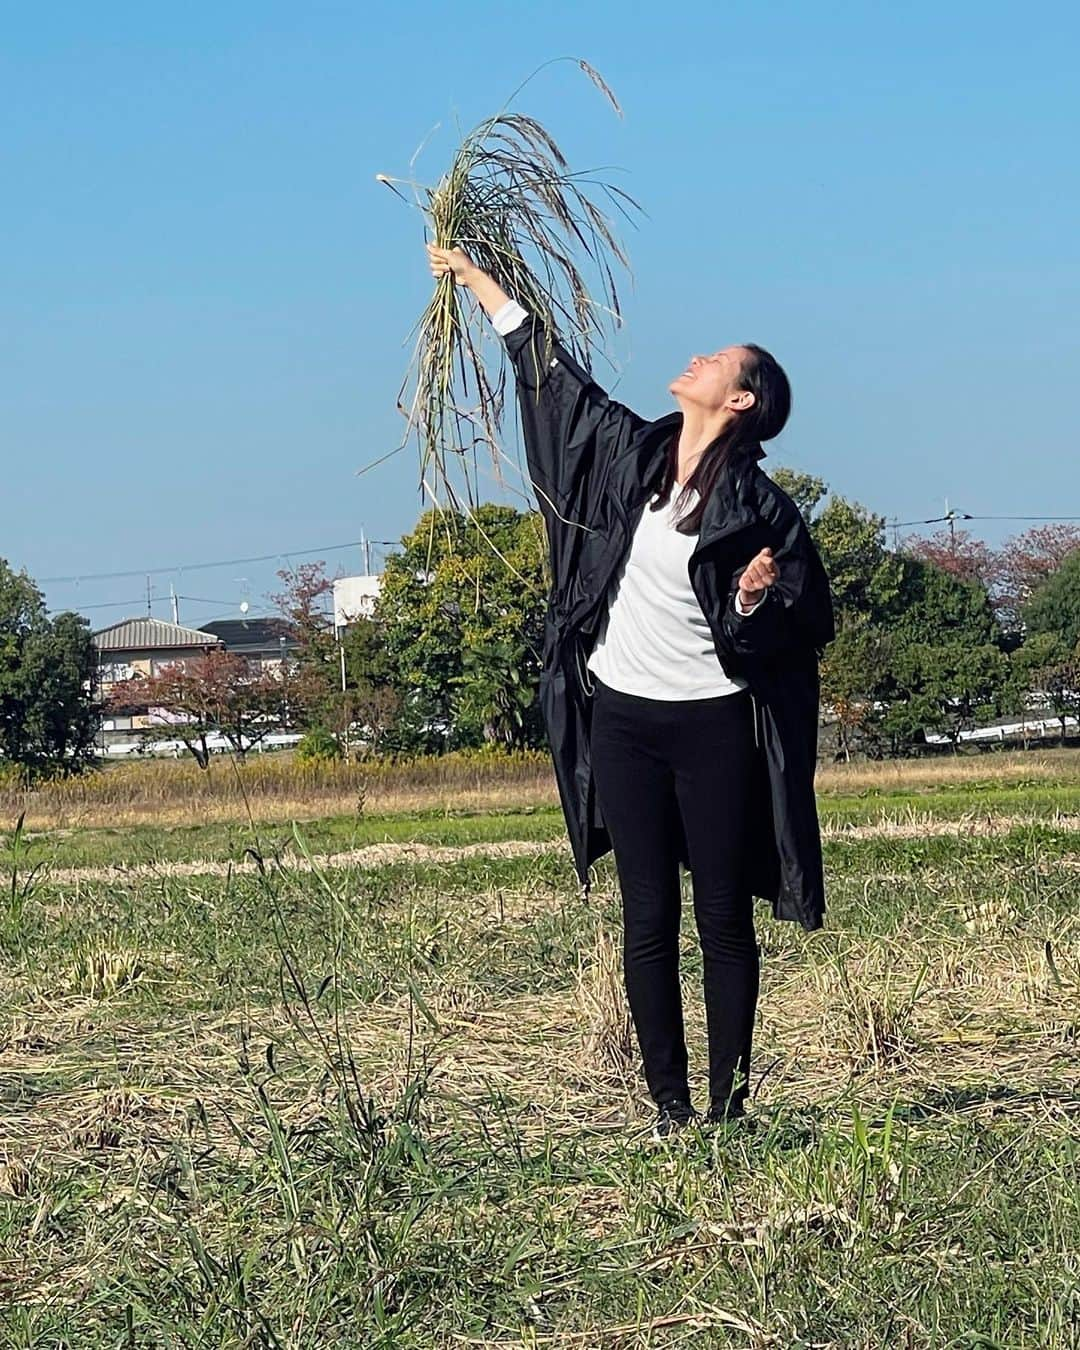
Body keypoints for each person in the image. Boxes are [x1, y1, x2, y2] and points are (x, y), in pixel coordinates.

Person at [425, 243, 835, 1140]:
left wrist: (753, 598)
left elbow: (804, 624)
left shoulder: (764, 511)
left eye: (716, 362)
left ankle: (730, 1109)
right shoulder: (631, 456)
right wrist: (478, 280)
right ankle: (670, 1109)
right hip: (623, 720)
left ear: (742, 400)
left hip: (713, 727)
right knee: (646, 915)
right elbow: (555, 382)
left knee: (722, 919)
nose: (695, 361)